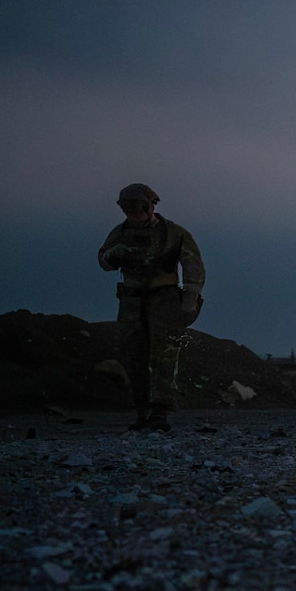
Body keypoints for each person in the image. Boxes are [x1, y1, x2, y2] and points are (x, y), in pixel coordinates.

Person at [97, 183, 205, 432]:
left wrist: (189, 301)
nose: (133, 215)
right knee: (135, 355)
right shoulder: (121, 233)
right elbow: (103, 260)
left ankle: (159, 412)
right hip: (132, 301)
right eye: (128, 210)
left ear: (150, 206)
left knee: (163, 356)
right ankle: (141, 410)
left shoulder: (173, 233)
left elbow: (193, 266)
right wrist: (116, 254)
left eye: (137, 209)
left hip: (164, 299)